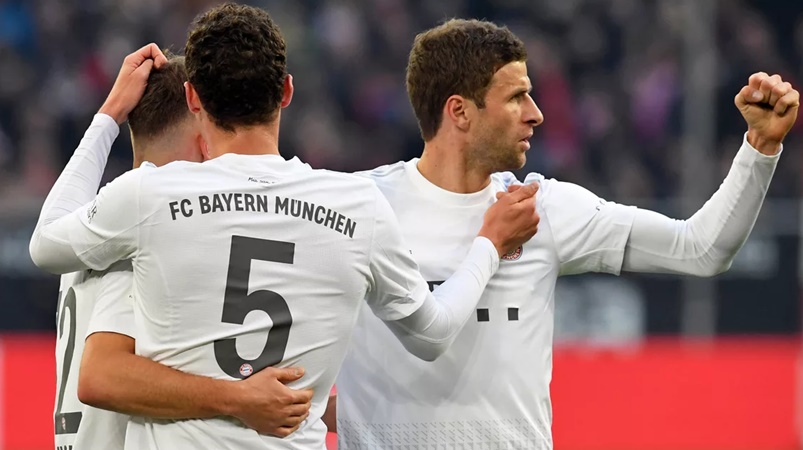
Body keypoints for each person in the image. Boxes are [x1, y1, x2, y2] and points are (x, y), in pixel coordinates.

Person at [28, 4, 539, 449]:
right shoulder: (357, 203)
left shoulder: (148, 195)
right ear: (288, 92)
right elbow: (433, 333)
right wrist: (489, 244)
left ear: (193, 99)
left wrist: (111, 113)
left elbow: (46, 244)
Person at [334, 19, 799, 449]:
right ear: (459, 111)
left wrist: (760, 148)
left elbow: (702, 249)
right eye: (516, 97)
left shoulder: (546, 208)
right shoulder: (361, 206)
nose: (536, 114)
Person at [50, 48, 316, 449]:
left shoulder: (92, 225)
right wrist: (239, 400)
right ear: (203, 137)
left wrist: (108, 116)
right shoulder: (152, 232)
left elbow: (48, 229)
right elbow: (102, 377)